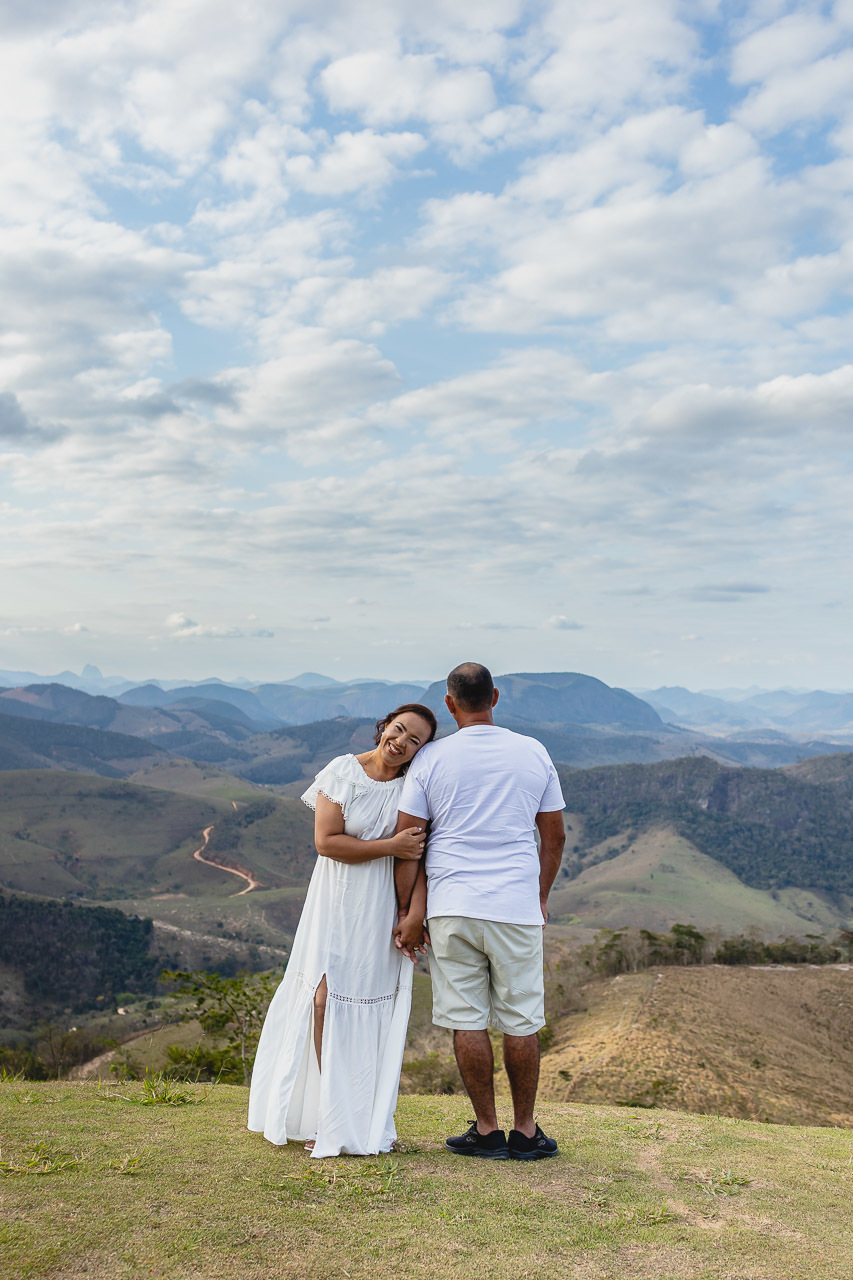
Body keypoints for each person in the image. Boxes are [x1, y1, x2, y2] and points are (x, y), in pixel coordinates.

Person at [248, 703, 437, 1158]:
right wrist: (391, 845)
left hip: (379, 907)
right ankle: (327, 1115)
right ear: (384, 726)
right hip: (333, 903)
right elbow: (326, 842)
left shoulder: (414, 788)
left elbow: (426, 857)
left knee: (363, 1007)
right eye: (399, 730)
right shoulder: (343, 771)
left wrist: (414, 914)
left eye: (415, 741)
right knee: (322, 1000)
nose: (402, 743)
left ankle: (356, 1121)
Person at [393, 662, 565, 1161]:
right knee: (521, 1020)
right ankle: (526, 1131)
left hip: (452, 906)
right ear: (495, 696)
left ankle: (488, 1131)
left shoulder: (431, 760)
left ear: (450, 704)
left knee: (466, 1020)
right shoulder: (533, 752)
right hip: (515, 905)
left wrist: (410, 910)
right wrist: (541, 896)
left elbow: (410, 841)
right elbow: (552, 836)